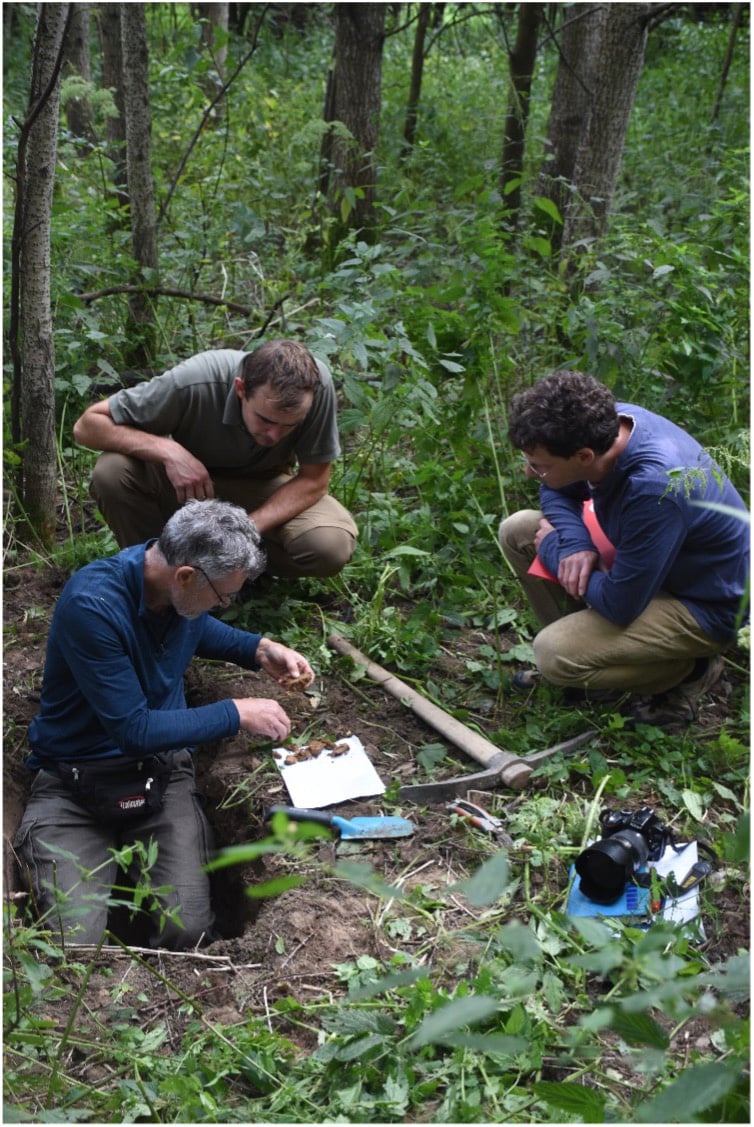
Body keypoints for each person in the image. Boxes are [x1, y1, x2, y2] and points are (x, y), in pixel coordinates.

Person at [14, 500, 315, 949]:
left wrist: (258, 649)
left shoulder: (174, 588)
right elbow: (132, 730)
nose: (225, 603)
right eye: (223, 594)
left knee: (187, 932)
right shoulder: (93, 605)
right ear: (186, 576)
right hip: (73, 783)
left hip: (159, 777)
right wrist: (234, 712)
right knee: (73, 946)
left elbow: (197, 627)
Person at [498, 370, 749, 727]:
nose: (528, 472)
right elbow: (555, 490)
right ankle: (601, 666)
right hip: (651, 567)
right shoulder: (607, 423)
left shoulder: (653, 486)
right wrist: (576, 545)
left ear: (584, 456)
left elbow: (620, 604)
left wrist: (555, 547)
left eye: (539, 467)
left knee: (553, 654)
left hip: (706, 603)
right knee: (518, 529)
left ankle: (686, 671)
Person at [73, 338, 358, 579]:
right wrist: (169, 451)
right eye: (265, 420)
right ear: (240, 389)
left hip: (263, 487)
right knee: (113, 471)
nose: (274, 436)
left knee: (329, 545)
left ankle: (230, 572)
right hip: (189, 489)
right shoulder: (195, 380)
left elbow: (314, 479)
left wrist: (244, 528)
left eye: (289, 425)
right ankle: (159, 574)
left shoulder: (317, 388)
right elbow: (87, 426)